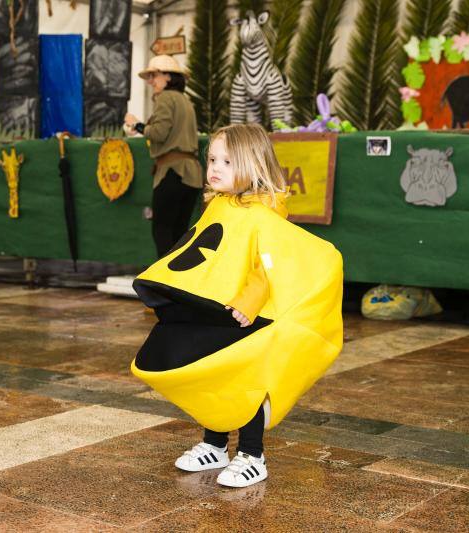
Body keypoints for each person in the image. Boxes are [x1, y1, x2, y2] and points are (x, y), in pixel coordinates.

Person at [130, 123, 344, 489]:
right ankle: (215, 445)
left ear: (252, 164)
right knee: (214, 372)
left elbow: (266, 262)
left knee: (246, 378)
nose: (214, 168)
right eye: (212, 158)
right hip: (218, 308)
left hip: (249, 315)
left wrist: (250, 300)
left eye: (227, 161)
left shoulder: (261, 213)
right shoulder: (220, 206)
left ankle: (251, 454)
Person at [124, 55, 202, 258]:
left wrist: (137, 125)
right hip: (191, 176)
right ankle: (178, 282)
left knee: (162, 230)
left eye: (154, 75)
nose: (150, 81)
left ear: (168, 76)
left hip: (172, 173)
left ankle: (165, 282)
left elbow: (159, 133)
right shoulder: (185, 102)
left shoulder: (166, 98)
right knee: (179, 232)